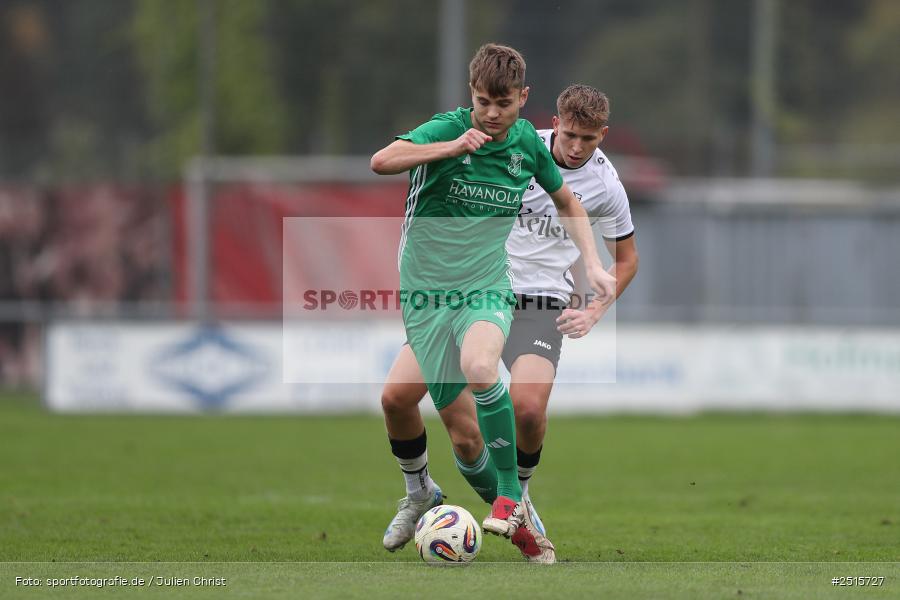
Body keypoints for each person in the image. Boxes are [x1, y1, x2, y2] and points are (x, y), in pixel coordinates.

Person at [379, 84, 639, 563]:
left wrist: (597, 306)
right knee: (400, 401)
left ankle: (517, 501)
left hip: (541, 301)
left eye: (589, 139)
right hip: (473, 290)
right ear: (554, 124)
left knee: (528, 410)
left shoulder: (607, 185)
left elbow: (627, 258)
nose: (576, 147)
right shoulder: (513, 144)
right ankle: (422, 492)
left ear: (603, 135)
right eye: (570, 135)